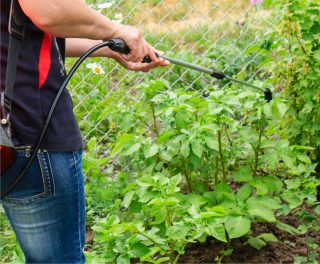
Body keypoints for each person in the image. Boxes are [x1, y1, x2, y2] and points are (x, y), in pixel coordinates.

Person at [0, 0, 169, 263]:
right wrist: (114, 29)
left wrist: (109, 49)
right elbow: (47, 10)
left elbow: (22, 35)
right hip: (28, 131)